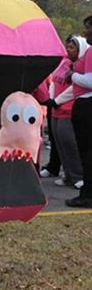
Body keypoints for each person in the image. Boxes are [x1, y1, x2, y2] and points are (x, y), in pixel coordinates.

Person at [49, 35, 89, 188]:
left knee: (70, 143)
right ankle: (68, 174)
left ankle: (78, 175)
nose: (68, 50)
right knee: (59, 143)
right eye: (68, 47)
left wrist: (58, 100)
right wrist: (52, 100)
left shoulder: (80, 66)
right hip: (56, 109)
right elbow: (54, 80)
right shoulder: (64, 62)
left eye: (72, 48)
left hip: (68, 108)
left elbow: (74, 88)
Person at [65, 16, 92, 208]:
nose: (85, 32)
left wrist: (72, 75)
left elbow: (90, 82)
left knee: (87, 154)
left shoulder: (91, 52)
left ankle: (87, 195)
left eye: (88, 28)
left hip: (86, 106)